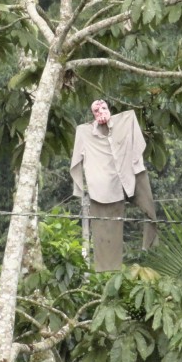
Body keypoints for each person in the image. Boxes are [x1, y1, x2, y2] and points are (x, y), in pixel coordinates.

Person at [70, 100, 157, 271]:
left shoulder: (127, 120)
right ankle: (107, 271)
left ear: (109, 109)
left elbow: (139, 144)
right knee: (105, 228)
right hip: (104, 186)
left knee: (151, 212)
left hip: (131, 172)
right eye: (96, 110)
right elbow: (75, 162)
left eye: (103, 108)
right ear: (92, 114)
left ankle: (151, 246)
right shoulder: (84, 132)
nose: (101, 112)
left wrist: (135, 161)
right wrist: (79, 188)